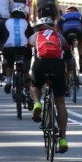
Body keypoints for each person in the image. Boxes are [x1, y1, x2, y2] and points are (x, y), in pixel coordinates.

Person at [28, 17, 70, 154]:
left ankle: (37, 103)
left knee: (34, 86)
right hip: (57, 66)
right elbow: (69, 60)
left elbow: (26, 57)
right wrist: (67, 77)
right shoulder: (60, 37)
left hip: (40, 64)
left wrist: (28, 75)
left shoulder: (34, 37)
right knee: (60, 102)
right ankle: (63, 138)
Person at [2, 5, 34, 95]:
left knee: (9, 64)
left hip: (9, 48)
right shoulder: (26, 23)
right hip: (24, 48)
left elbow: (2, 36)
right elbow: (31, 36)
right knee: (26, 70)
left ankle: (8, 82)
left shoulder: (6, 22)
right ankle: (27, 87)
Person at [57, 5, 82, 74]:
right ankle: (81, 58)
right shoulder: (80, 15)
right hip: (77, 32)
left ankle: (64, 62)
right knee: (80, 40)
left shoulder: (62, 17)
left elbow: (58, 31)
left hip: (66, 33)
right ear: (76, 11)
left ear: (66, 11)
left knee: (64, 45)